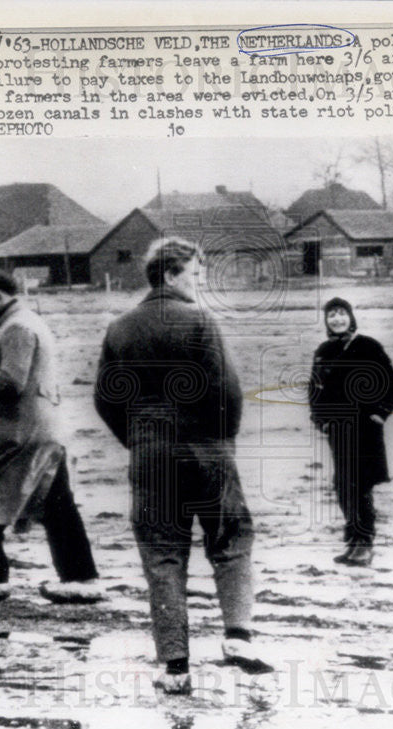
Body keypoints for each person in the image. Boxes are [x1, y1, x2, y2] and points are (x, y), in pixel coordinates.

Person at [94, 237, 269, 695]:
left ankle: (175, 666)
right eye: (194, 274)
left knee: (163, 557)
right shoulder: (200, 321)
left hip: (151, 454)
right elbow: (227, 392)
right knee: (231, 538)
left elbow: (106, 400)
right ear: (171, 274)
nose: (198, 284)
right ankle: (238, 635)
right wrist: (220, 443)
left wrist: (137, 440)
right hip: (207, 449)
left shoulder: (120, 328)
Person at [0, 269, 104, 603]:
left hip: (17, 433)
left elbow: (11, 382)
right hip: (45, 431)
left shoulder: (16, 327)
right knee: (57, 505)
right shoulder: (28, 320)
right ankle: (82, 578)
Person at [308, 297, 393, 567]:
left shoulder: (368, 346)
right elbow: (314, 390)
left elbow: (392, 384)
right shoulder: (323, 350)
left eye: (341, 314)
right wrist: (320, 420)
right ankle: (352, 541)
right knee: (343, 486)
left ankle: (365, 544)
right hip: (337, 428)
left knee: (360, 485)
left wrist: (379, 414)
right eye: (332, 316)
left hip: (365, 428)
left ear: (351, 317)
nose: (337, 320)